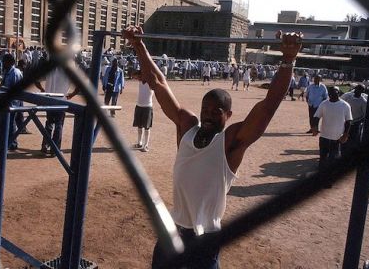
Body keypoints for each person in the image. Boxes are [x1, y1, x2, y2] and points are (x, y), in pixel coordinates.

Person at [123, 26, 303, 269]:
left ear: (228, 115)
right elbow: (157, 82)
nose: (207, 116)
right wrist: (138, 45)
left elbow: (268, 106)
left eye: (215, 112)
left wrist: (288, 61)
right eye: (204, 110)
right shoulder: (187, 128)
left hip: (205, 238)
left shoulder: (229, 143)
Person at [311, 86, 352, 187]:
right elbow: (316, 116)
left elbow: (348, 121)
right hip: (324, 136)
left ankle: (329, 180)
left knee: (333, 160)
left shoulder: (345, 105)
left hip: (337, 138)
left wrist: (345, 134)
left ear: (339, 93)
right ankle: (320, 179)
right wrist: (314, 127)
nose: (332, 95)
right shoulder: (324, 104)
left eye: (335, 93)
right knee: (323, 158)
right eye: (331, 93)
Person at [35, 64, 79, 155]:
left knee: (49, 123)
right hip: (61, 100)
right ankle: (54, 149)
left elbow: (36, 80)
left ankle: (45, 145)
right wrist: (72, 94)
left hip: (49, 99)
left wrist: (43, 90)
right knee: (59, 125)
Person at [0, 53, 23, 150]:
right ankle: (1, 142)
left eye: (4, 62)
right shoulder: (8, 72)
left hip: (12, 102)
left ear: (9, 62)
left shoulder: (15, 73)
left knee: (10, 124)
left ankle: (12, 143)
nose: (3, 64)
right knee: (1, 124)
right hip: (3, 101)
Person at [132, 70, 154, 152]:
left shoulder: (150, 83)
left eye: (138, 77)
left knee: (147, 127)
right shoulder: (140, 82)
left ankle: (146, 145)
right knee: (139, 126)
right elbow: (136, 73)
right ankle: (139, 143)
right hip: (139, 106)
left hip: (147, 107)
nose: (137, 78)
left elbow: (149, 73)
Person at [341, 84, 367, 150]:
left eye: (359, 89)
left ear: (362, 91)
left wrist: (358, 122)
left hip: (356, 124)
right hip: (346, 122)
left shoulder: (363, 102)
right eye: (356, 88)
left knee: (354, 140)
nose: (356, 90)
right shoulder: (349, 97)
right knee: (344, 137)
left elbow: (364, 115)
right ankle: (342, 153)